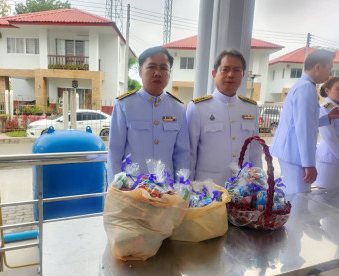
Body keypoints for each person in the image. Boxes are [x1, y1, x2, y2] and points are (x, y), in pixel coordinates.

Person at [107, 46, 190, 184]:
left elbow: (182, 154)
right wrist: (117, 189)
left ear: (169, 72)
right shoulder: (124, 105)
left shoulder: (178, 108)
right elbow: (114, 152)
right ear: (140, 72)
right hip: (132, 190)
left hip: (166, 192)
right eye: (151, 67)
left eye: (164, 68)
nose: (158, 73)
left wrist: (182, 190)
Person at [186, 49, 262, 187]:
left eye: (237, 70)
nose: (231, 75)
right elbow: (190, 153)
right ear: (214, 74)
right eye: (225, 69)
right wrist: (189, 188)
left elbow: (256, 151)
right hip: (208, 188)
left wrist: (259, 184)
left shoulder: (251, 108)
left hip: (243, 188)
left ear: (243, 75)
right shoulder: (198, 107)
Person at [270, 49, 339, 194]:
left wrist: (328, 117)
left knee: (292, 198)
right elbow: (304, 128)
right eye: (329, 68)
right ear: (318, 67)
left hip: (290, 152)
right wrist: (308, 164)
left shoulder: (301, 85)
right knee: (297, 200)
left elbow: (304, 122)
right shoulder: (306, 88)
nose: (330, 74)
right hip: (296, 155)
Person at [314, 77, 339, 189]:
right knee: (324, 199)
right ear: (327, 90)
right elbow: (329, 137)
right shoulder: (325, 108)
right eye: (338, 89)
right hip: (329, 158)